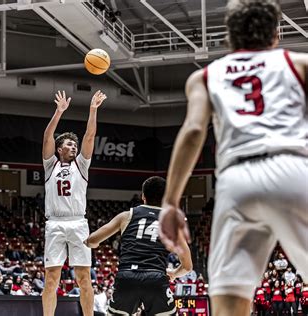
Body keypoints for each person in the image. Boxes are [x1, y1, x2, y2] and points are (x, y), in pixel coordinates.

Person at [158, 1, 308, 316]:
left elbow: (193, 131)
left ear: (229, 35)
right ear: (276, 33)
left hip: (236, 180)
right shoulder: (299, 63)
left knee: (228, 300)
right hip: (293, 168)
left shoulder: (206, 77)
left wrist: (170, 202)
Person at [85, 177, 193, 315]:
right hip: (155, 278)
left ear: (143, 196)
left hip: (127, 277)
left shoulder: (127, 216)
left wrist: (92, 243)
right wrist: (174, 273)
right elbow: (187, 266)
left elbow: (92, 240)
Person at [42, 90, 107, 316]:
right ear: (60, 149)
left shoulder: (81, 165)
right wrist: (58, 112)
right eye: (69, 144)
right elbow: (47, 137)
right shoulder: (51, 165)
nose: (74, 147)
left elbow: (89, 136)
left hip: (79, 223)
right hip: (55, 224)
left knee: (83, 278)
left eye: (74, 145)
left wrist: (93, 109)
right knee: (51, 279)